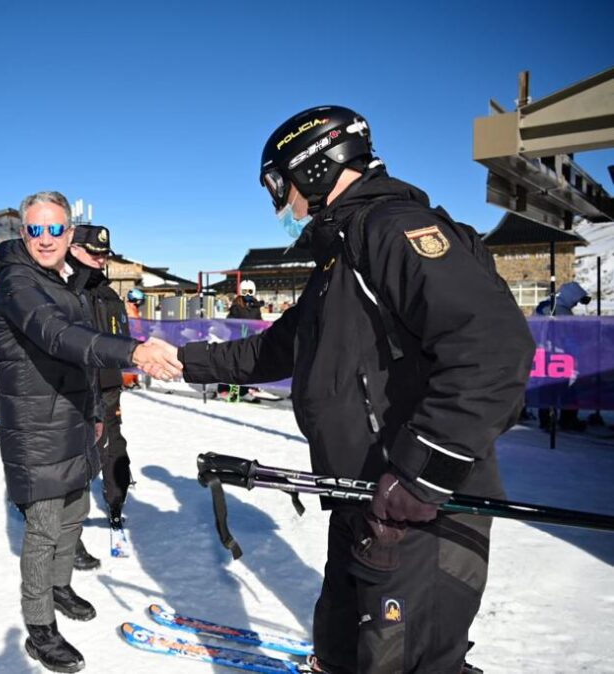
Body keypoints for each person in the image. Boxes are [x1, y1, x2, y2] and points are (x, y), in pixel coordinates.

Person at [177, 106, 535, 674]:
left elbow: (492, 349)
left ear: (313, 168)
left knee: (410, 661)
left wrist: (423, 472)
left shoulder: (393, 231)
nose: (280, 204)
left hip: (421, 510)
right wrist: (180, 360)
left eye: (278, 185)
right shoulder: (339, 260)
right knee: (343, 651)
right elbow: (273, 349)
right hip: (363, 499)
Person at [0, 190, 181, 673]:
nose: (47, 238)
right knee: (44, 527)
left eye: (56, 229)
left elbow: (81, 360)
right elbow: (57, 335)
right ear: (24, 232)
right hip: (37, 425)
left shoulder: (64, 280)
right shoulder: (18, 282)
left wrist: (95, 409)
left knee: (74, 513)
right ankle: (40, 628)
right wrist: (134, 352)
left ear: (69, 233)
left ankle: (59, 585)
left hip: (74, 416)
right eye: (37, 229)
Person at [65, 225, 132, 572]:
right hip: (73, 389)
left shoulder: (108, 292)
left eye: (105, 253)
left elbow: (121, 336)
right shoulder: (61, 289)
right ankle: (69, 536)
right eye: (95, 253)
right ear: (74, 249)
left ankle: (117, 502)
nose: (101, 259)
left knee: (113, 448)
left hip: (107, 387)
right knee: (73, 461)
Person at [534, 281, 592, 431]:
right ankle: (567, 421)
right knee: (568, 391)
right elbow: (569, 338)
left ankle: (545, 420)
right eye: (576, 301)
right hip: (560, 355)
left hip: (543, 355)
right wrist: (577, 355)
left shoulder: (544, 307)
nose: (575, 304)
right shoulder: (562, 312)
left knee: (547, 389)